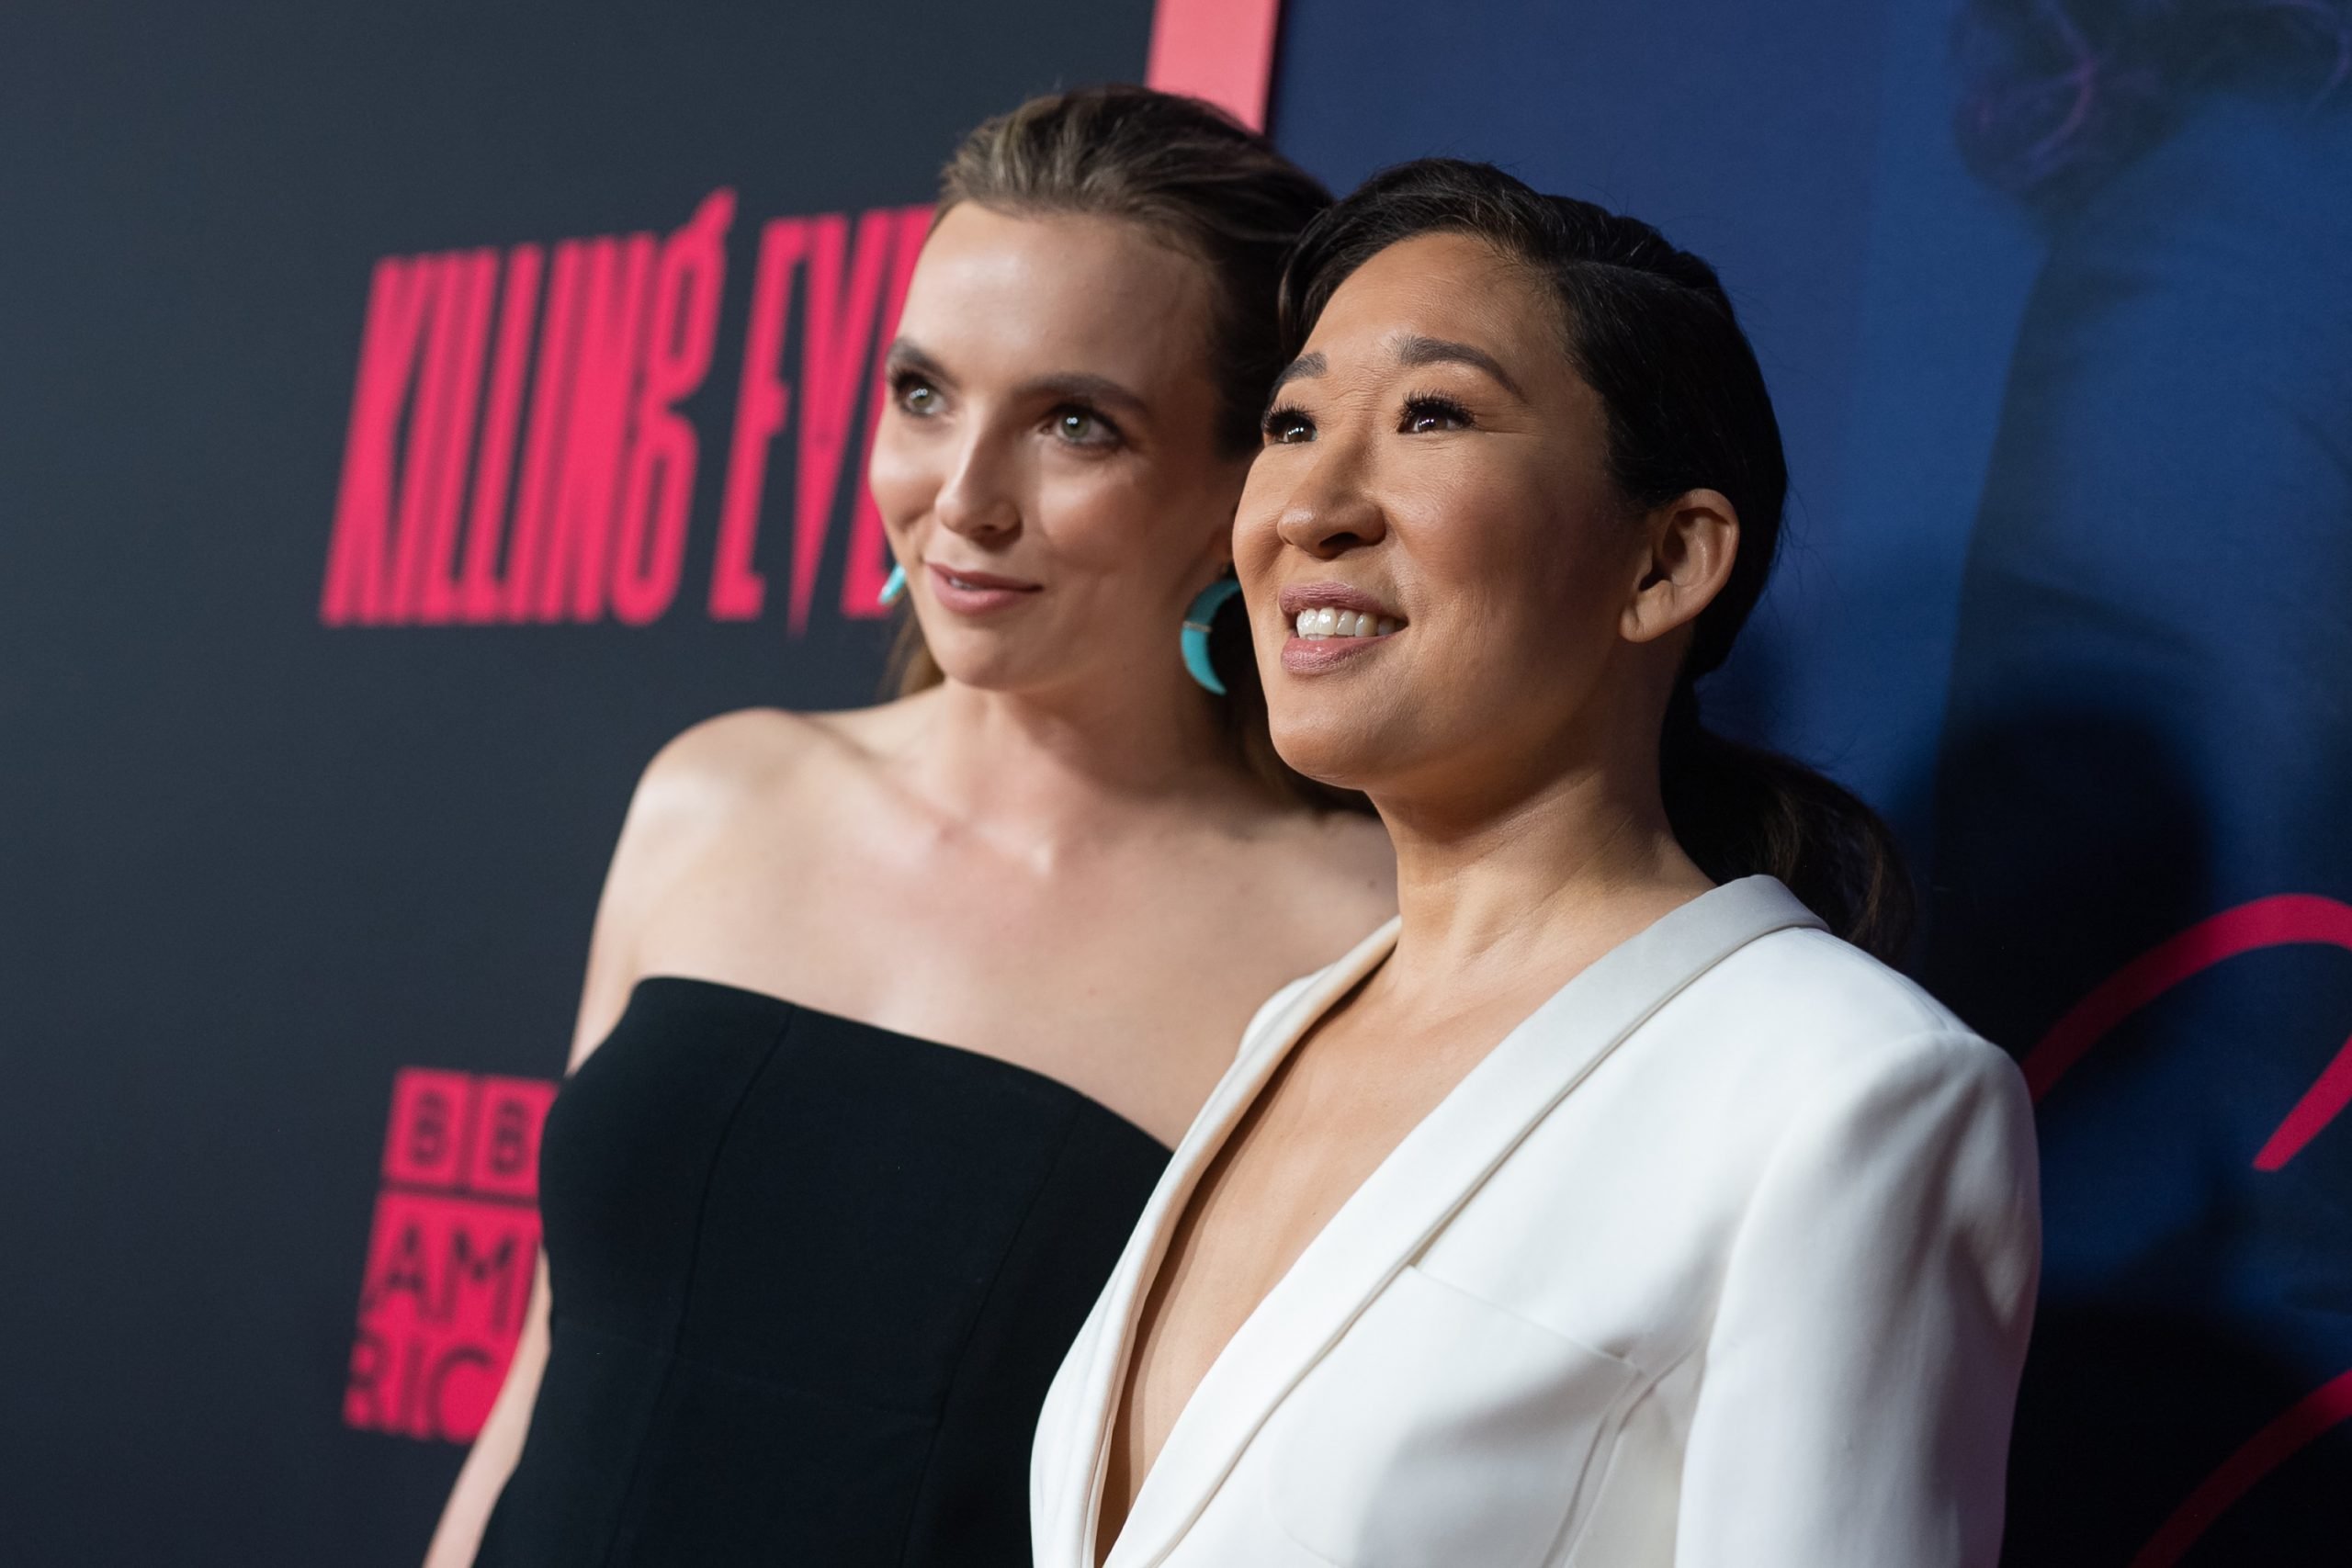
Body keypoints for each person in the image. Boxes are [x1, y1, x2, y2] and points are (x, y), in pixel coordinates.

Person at [424, 86, 1395, 1568]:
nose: (963, 497)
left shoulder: (1347, 941)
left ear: (1237, 488)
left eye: (1077, 424)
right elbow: (547, 1371)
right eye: (922, 394)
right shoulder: (719, 792)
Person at [1031, 159, 2041, 1568]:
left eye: (1432, 415)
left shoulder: (1848, 1095)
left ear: (1665, 566)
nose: (1309, 506)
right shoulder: (1288, 1026)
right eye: (1293, 421)